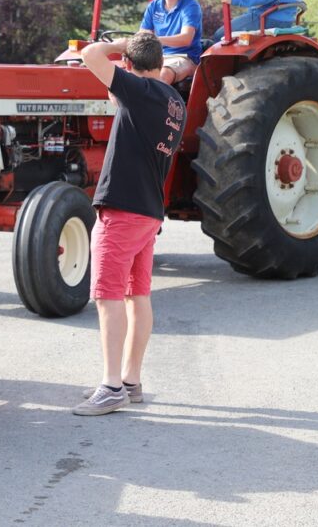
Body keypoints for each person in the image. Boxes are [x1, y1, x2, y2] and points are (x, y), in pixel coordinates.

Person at [72, 33, 186, 416]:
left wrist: (116, 43)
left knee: (107, 297)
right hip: (149, 211)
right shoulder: (174, 101)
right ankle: (131, 380)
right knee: (138, 296)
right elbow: (116, 98)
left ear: (129, 67)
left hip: (121, 209)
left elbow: (89, 55)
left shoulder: (140, 91)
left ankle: (110, 386)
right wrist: (124, 68)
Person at [138, 0, 202, 85]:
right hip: (157, 56)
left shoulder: (190, 6)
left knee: (164, 73)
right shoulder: (154, 6)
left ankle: (156, 104)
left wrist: (156, 39)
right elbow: (144, 34)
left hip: (184, 57)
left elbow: (186, 39)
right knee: (125, 74)